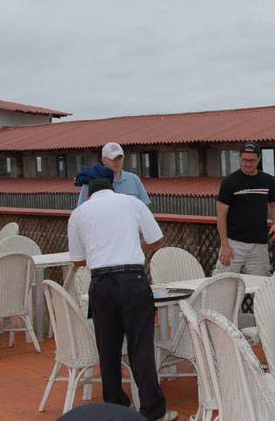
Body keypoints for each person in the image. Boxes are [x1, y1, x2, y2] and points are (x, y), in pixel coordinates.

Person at [68, 178, 175, 421]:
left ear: (89, 195)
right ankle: (152, 410)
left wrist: (102, 254)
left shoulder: (79, 212)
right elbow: (156, 237)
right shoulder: (131, 202)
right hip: (132, 279)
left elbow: (76, 259)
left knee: (108, 349)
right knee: (141, 346)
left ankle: (116, 407)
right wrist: (131, 248)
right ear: (112, 189)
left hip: (101, 283)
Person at [214, 142, 275, 276]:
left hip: (259, 245)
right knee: (223, 283)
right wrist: (225, 245)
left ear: (259, 159)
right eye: (245, 160)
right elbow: (221, 216)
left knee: (261, 286)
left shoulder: (267, 180)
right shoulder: (229, 182)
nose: (248, 164)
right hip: (234, 244)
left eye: (252, 161)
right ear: (240, 158)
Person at [77, 142, 150, 206]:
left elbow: (143, 208)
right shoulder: (91, 181)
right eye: (112, 159)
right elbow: (82, 209)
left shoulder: (134, 180)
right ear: (103, 160)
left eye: (119, 158)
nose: (117, 162)